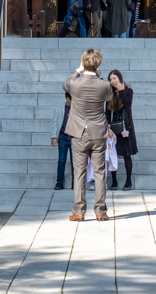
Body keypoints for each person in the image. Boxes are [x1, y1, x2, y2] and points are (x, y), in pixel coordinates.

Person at [63, 47, 113, 221]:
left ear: (84, 63)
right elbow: (108, 98)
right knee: (99, 172)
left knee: (79, 172)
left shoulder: (74, 84)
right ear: (98, 64)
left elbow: (66, 84)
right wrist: (98, 76)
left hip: (79, 131)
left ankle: (78, 210)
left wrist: (78, 71)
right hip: (98, 131)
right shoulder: (104, 85)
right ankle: (100, 210)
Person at [107, 69, 137, 190]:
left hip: (126, 128)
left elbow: (128, 104)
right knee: (112, 154)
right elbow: (107, 112)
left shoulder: (128, 91)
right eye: (110, 79)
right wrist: (107, 126)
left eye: (114, 78)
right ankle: (114, 181)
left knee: (126, 155)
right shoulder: (110, 94)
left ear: (119, 78)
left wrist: (121, 90)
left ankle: (128, 181)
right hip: (113, 128)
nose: (113, 81)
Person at [51, 93, 73, 190]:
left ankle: (76, 182)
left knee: (75, 161)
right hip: (62, 137)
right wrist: (53, 137)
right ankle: (59, 182)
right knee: (61, 160)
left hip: (74, 137)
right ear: (68, 98)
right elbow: (54, 123)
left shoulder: (77, 109)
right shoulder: (59, 109)